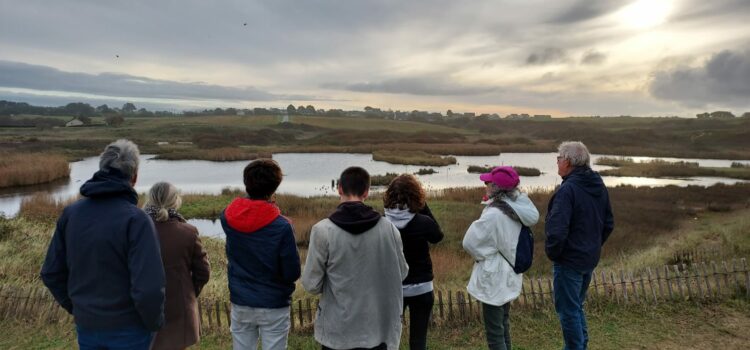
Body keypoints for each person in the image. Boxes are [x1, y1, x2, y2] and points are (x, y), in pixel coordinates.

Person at [40, 139, 165, 349]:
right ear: (134, 177)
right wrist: (154, 324)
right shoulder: (136, 220)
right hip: (130, 330)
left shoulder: (71, 214)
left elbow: (51, 272)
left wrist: (79, 308)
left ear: (101, 169)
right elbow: (148, 289)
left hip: (88, 326)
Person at [302, 166, 409, 350]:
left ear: (340, 189)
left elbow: (311, 285)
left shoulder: (322, 230)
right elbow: (402, 273)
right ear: (366, 192)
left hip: (338, 332)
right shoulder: (388, 229)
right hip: (378, 329)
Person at [221, 159, 300, 350]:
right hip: (274, 302)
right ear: (275, 187)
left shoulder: (227, 217)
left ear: (247, 184)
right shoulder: (282, 227)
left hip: (241, 300)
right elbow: (292, 273)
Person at [545, 141, 614, 350]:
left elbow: (557, 231)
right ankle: (581, 345)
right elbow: (609, 223)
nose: (557, 162)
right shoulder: (596, 184)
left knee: (568, 311)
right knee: (576, 306)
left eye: (558, 158)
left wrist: (556, 254)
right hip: (588, 258)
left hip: (570, 261)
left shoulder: (568, 190)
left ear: (567, 161)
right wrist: (592, 246)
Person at [462, 166, 539, 350]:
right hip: (509, 275)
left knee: (495, 333)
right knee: (503, 325)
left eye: (488, 182)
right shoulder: (518, 208)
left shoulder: (495, 215)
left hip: (494, 279)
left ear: (496, 188)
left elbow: (469, 243)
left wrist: (485, 255)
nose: (485, 185)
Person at [144, 182, 211, 350]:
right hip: (179, 310)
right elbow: (203, 272)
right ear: (175, 201)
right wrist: (188, 293)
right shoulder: (188, 231)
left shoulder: (136, 229)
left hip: (141, 308)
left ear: (149, 200)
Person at [382, 174, 443, 350]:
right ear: (417, 196)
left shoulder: (381, 222)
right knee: (418, 341)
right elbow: (437, 236)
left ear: (389, 195)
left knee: (389, 339)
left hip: (392, 289)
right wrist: (422, 207)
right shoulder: (424, 222)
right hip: (422, 288)